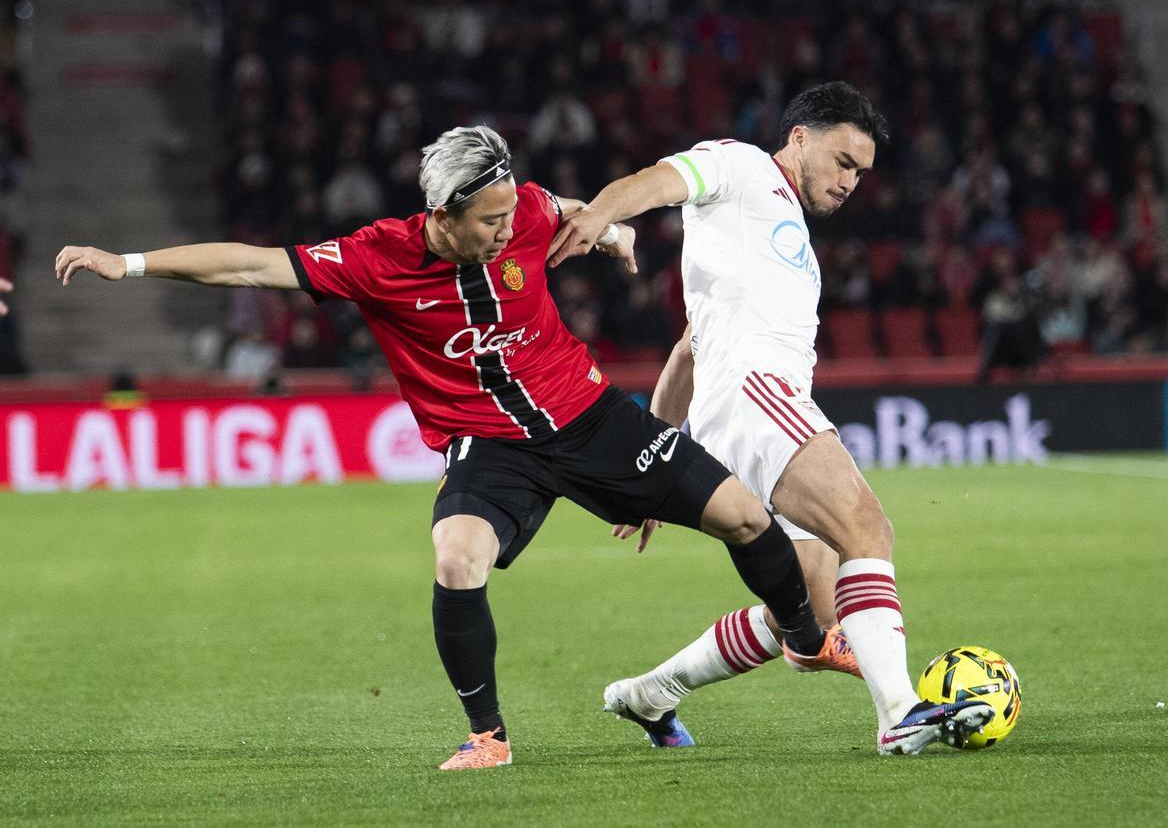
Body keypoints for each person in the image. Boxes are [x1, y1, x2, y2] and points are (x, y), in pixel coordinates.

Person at [55, 125, 855, 771]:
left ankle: (805, 638)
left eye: (513, 213)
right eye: (492, 221)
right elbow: (249, 265)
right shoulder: (376, 257)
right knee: (456, 556)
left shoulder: (527, 212)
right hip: (493, 444)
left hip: (591, 417)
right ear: (442, 215)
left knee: (746, 516)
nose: (512, 228)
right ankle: (488, 737)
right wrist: (124, 265)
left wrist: (608, 229)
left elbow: (559, 206)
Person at [550, 83, 994, 756]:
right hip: (758, 397)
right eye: (844, 161)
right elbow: (655, 181)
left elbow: (688, 351)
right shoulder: (739, 166)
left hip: (741, 408)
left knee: (812, 616)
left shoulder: (780, 242)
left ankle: (652, 691)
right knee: (867, 527)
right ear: (799, 137)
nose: (851, 182)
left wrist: (653, 464)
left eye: (863, 173)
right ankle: (900, 712)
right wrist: (599, 215)